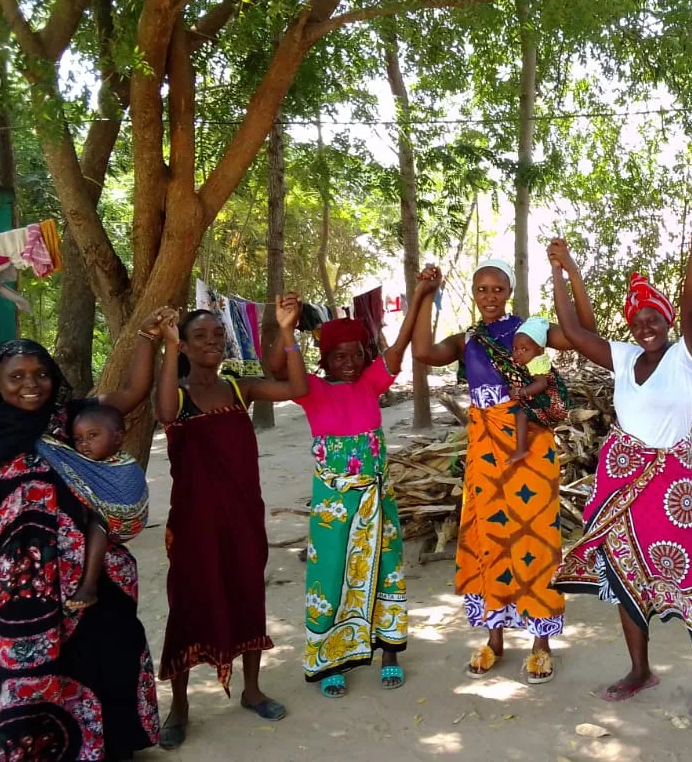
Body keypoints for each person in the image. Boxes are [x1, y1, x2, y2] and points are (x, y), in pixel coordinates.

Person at [0, 308, 174, 761]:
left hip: (95, 576)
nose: (30, 384)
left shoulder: (72, 420)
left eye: (40, 374)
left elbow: (134, 393)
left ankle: (115, 745)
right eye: (16, 376)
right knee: (35, 668)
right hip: (21, 584)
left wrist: (146, 338)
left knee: (110, 650)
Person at [551, 216, 692, 718]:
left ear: (668, 321)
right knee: (625, 575)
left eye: (654, 318)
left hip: (670, 487)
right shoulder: (624, 357)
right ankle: (639, 670)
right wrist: (563, 271)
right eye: (637, 321)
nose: (645, 327)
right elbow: (572, 330)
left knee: (689, 574)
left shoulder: (690, 355)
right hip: (619, 481)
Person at [412, 239, 598, 684]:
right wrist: (422, 295)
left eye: (497, 289)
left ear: (508, 292)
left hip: (530, 446)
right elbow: (422, 352)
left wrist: (568, 269)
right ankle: (495, 637)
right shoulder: (467, 340)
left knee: (534, 536)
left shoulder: (529, 331)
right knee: (490, 535)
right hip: (485, 447)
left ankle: (541, 642)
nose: (490, 296)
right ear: (474, 294)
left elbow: (583, 333)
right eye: (482, 289)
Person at [153, 300, 308, 749]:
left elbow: (297, 388)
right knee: (187, 605)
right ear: (183, 344)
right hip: (194, 523)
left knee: (246, 593)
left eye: (218, 335)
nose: (213, 343)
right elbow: (164, 413)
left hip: (242, 517)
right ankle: (179, 708)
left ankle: (253, 689)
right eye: (200, 336)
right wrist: (166, 349)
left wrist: (286, 331)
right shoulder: (179, 393)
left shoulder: (241, 389)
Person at [262, 286, 430, 698]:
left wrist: (421, 295)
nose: (351, 364)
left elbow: (401, 346)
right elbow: (280, 372)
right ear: (325, 361)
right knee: (330, 575)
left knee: (387, 567)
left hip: (378, 502)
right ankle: (331, 660)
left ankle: (389, 652)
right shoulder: (311, 391)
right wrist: (287, 331)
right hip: (333, 509)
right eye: (340, 357)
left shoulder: (370, 383)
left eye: (357, 355)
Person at [35, 402, 149, 611]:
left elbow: (128, 496)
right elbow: (66, 462)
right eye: (78, 439)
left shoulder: (125, 466)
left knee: (97, 522)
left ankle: (88, 585)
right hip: (110, 529)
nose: (84, 444)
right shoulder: (87, 463)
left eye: (92, 435)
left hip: (122, 522)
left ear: (117, 437)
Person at [509, 315, 558, 464]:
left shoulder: (537, 364)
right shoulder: (534, 359)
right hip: (545, 399)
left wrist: (520, 392)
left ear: (539, 349)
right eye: (516, 348)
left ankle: (521, 449)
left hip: (550, 401)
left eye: (524, 349)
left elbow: (541, 384)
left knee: (521, 415)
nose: (518, 353)